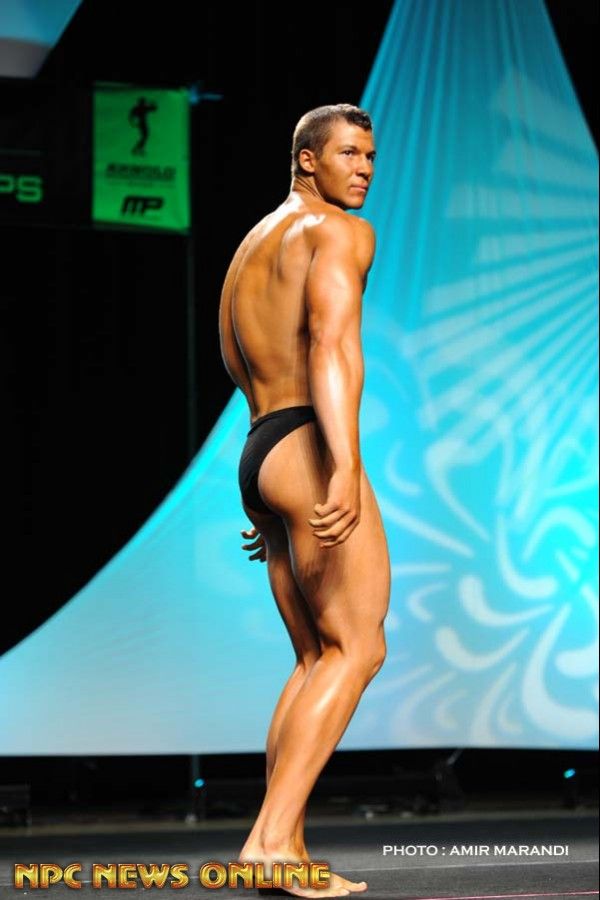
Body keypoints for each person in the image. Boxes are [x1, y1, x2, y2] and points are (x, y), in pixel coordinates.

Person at [218, 103, 391, 898]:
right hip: (307, 446)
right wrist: (341, 466)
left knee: (315, 657)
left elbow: (240, 360)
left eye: (370, 156)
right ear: (306, 159)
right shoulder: (339, 232)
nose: (363, 169)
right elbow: (331, 344)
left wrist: (269, 482)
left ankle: (282, 843)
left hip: (262, 445)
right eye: (348, 154)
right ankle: (268, 845)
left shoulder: (253, 244)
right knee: (357, 649)